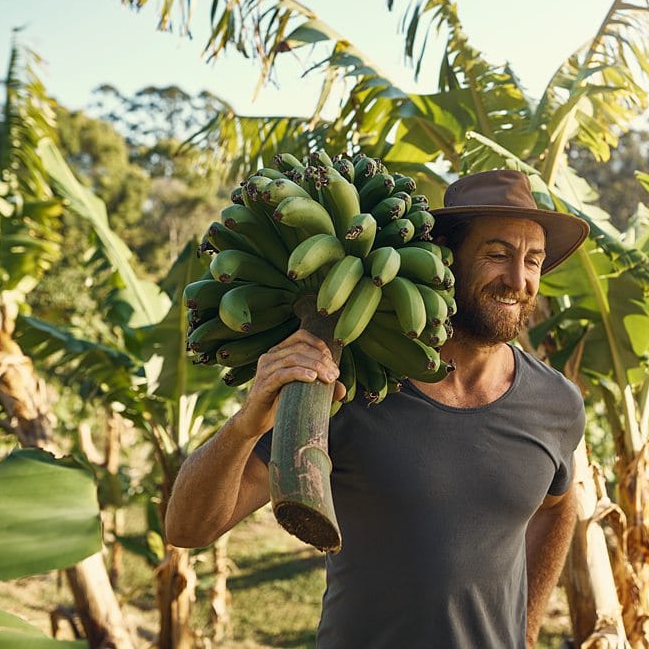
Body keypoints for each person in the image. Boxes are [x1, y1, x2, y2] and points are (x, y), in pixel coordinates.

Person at [166, 169, 589, 648]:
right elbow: (188, 528)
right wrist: (246, 424)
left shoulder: (556, 403)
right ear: (446, 260)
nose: (519, 279)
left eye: (533, 260)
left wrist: (525, 630)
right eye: (497, 254)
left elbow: (557, 507)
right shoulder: (349, 386)